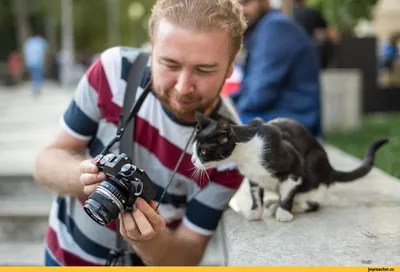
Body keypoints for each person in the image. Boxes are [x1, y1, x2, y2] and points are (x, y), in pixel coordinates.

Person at [33, 0, 246, 266]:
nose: (182, 87)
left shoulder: (230, 150)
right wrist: (89, 177)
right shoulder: (114, 71)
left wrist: (149, 240)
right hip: (63, 256)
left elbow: (187, 255)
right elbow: (46, 161)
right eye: (169, 64)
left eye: (204, 70)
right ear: (152, 46)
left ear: (230, 67)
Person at [231, 0, 322, 137]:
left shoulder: (275, 27)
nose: (242, 10)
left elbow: (259, 95)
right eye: (236, 6)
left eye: (246, 2)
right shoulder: (264, 28)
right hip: (272, 119)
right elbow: (249, 90)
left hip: (288, 125)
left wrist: (226, 110)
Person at [293, 0, 339, 69]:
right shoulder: (312, 13)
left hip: (293, 58)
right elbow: (334, 36)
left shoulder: (286, 14)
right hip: (311, 57)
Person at [22, 29, 48, 94]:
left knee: (33, 74)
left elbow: (26, 53)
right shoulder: (41, 41)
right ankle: (38, 87)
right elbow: (45, 51)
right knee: (38, 74)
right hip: (39, 61)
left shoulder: (28, 42)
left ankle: (35, 87)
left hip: (30, 61)